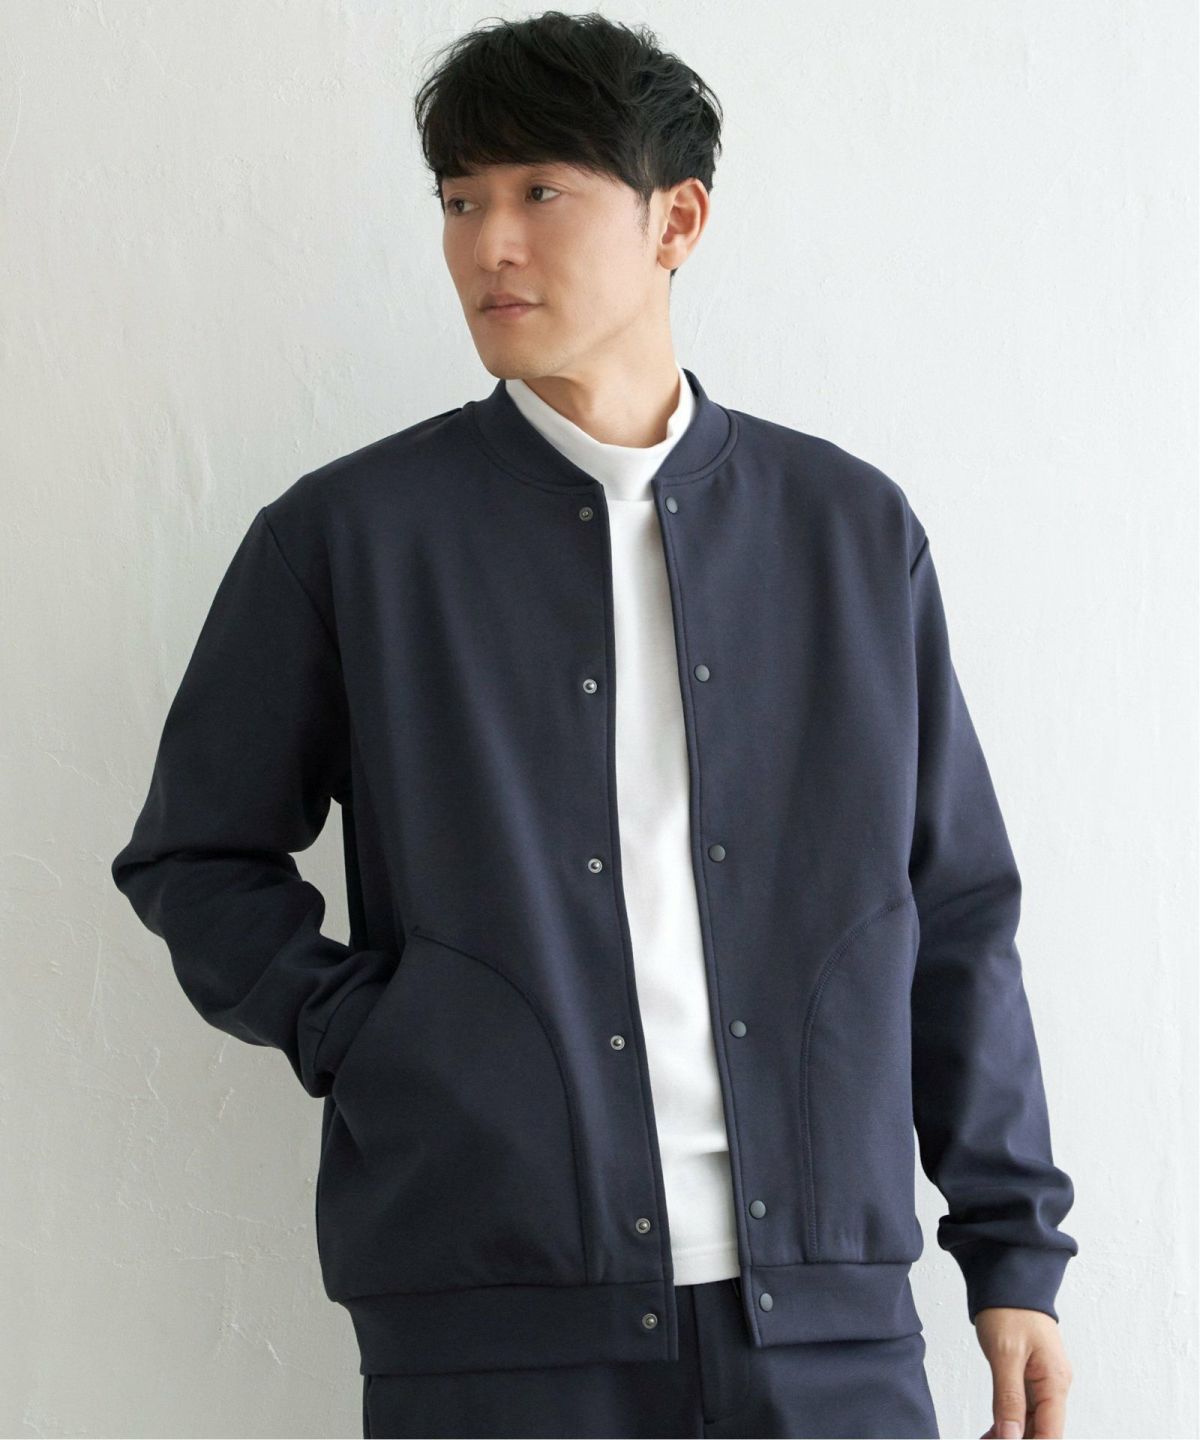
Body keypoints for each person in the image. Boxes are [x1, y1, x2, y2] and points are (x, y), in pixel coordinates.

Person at [111, 11, 1078, 1439]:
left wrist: (1012, 1249)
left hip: (829, 1331)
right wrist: (387, 1038)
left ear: (676, 220)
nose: (488, 244)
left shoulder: (849, 534)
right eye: (459, 201)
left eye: (539, 191)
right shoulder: (350, 540)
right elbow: (195, 857)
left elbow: (956, 909)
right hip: (494, 1329)